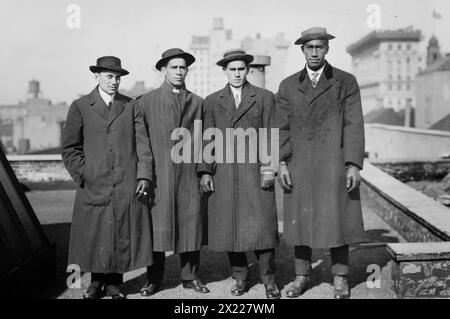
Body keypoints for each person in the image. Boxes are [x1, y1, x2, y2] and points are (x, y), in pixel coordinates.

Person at [275, 27, 366, 299]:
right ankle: (301, 276)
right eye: (309, 47)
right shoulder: (288, 85)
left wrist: (353, 165)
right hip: (299, 165)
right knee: (300, 222)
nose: (314, 52)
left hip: (333, 164)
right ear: (302, 50)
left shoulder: (345, 81)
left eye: (319, 47)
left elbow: (353, 125)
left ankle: (340, 278)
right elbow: (280, 127)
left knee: (337, 219)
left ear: (327, 49)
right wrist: (281, 162)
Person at [62, 56, 153, 299]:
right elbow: (70, 148)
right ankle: (95, 284)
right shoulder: (81, 106)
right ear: (97, 76)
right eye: (109, 76)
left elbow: (143, 145)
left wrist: (143, 175)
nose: (114, 81)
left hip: (125, 182)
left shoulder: (131, 105)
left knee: (120, 232)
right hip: (94, 183)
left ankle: (114, 284)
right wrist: (84, 173)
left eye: (118, 77)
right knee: (95, 233)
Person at [198, 49, 281, 299]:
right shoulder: (212, 101)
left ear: (248, 70)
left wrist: (269, 168)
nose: (237, 74)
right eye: (232, 69)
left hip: (255, 173)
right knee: (229, 228)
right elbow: (207, 139)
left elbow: (271, 134)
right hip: (224, 174)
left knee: (263, 229)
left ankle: (269, 281)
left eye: (241, 69)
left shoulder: (264, 97)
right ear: (225, 71)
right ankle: (240, 278)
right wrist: (205, 172)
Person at [137, 48, 209, 296]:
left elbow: (203, 141)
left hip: (188, 176)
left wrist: (203, 172)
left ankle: (191, 277)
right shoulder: (146, 102)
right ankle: (154, 279)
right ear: (163, 70)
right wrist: (144, 175)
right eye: (174, 67)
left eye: (183, 67)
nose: (179, 72)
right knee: (157, 228)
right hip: (159, 176)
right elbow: (142, 143)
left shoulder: (197, 102)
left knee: (191, 225)